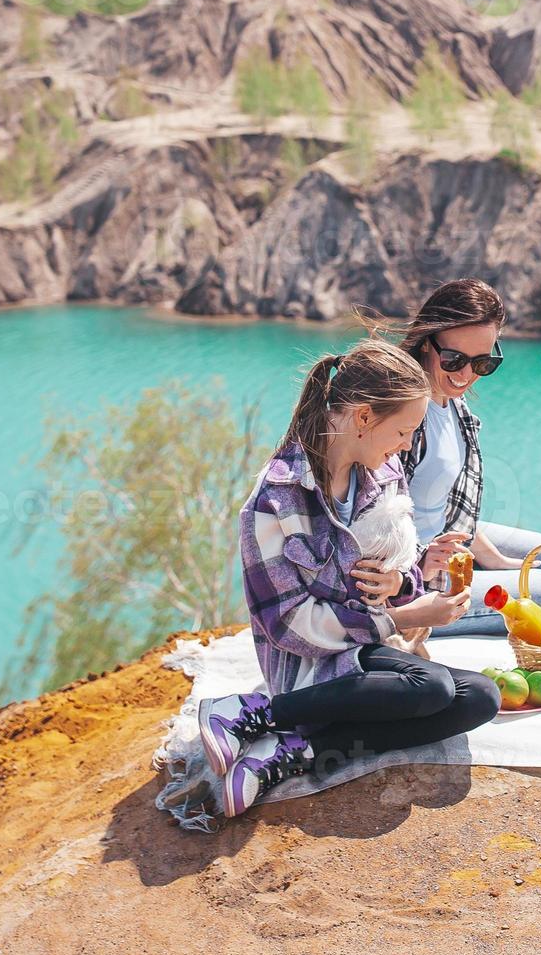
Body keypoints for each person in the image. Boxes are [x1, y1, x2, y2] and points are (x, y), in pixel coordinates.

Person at [197, 339, 500, 817]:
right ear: (363, 418)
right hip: (309, 674)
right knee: (433, 688)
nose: (405, 445)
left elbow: (399, 570)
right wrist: (397, 620)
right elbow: (289, 626)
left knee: (481, 697)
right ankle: (250, 713)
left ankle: (293, 752)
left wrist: (409, 579)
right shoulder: (276, 499)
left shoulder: (383, 473)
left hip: (368, 658)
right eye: (402, 432)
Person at [385, 279, 541, 636]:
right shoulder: (404, 415)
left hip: (446, 537)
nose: (466, 375)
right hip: (415, 574)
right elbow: (371, 523)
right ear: (426, 342)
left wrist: (493, 560)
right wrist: (418, 565)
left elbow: (449, 504)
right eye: (454, 359)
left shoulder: (453, 402)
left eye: (483, 362)